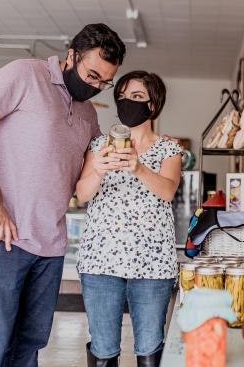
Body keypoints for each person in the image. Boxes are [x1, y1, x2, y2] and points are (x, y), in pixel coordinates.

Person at [0, 23, 126, 367]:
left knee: (27, 348)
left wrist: (110, 161)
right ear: (71, 55)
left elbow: (83, 185)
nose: (95, 86)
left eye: (103, 82)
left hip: (49, 245)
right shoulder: (25, 74)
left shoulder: (89, 115)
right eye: (91, 74)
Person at [76, 71, 182, 367]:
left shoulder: (169, 149)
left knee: (149, 347)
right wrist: (98, 170)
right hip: (100, 260)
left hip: (153, 264)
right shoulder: (98, 146)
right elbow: (82, 194)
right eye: (121, 97)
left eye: (136, 97)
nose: (126, 103)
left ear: (153, 105)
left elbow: (168, 191)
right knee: (103, 349)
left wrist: (139, 168)